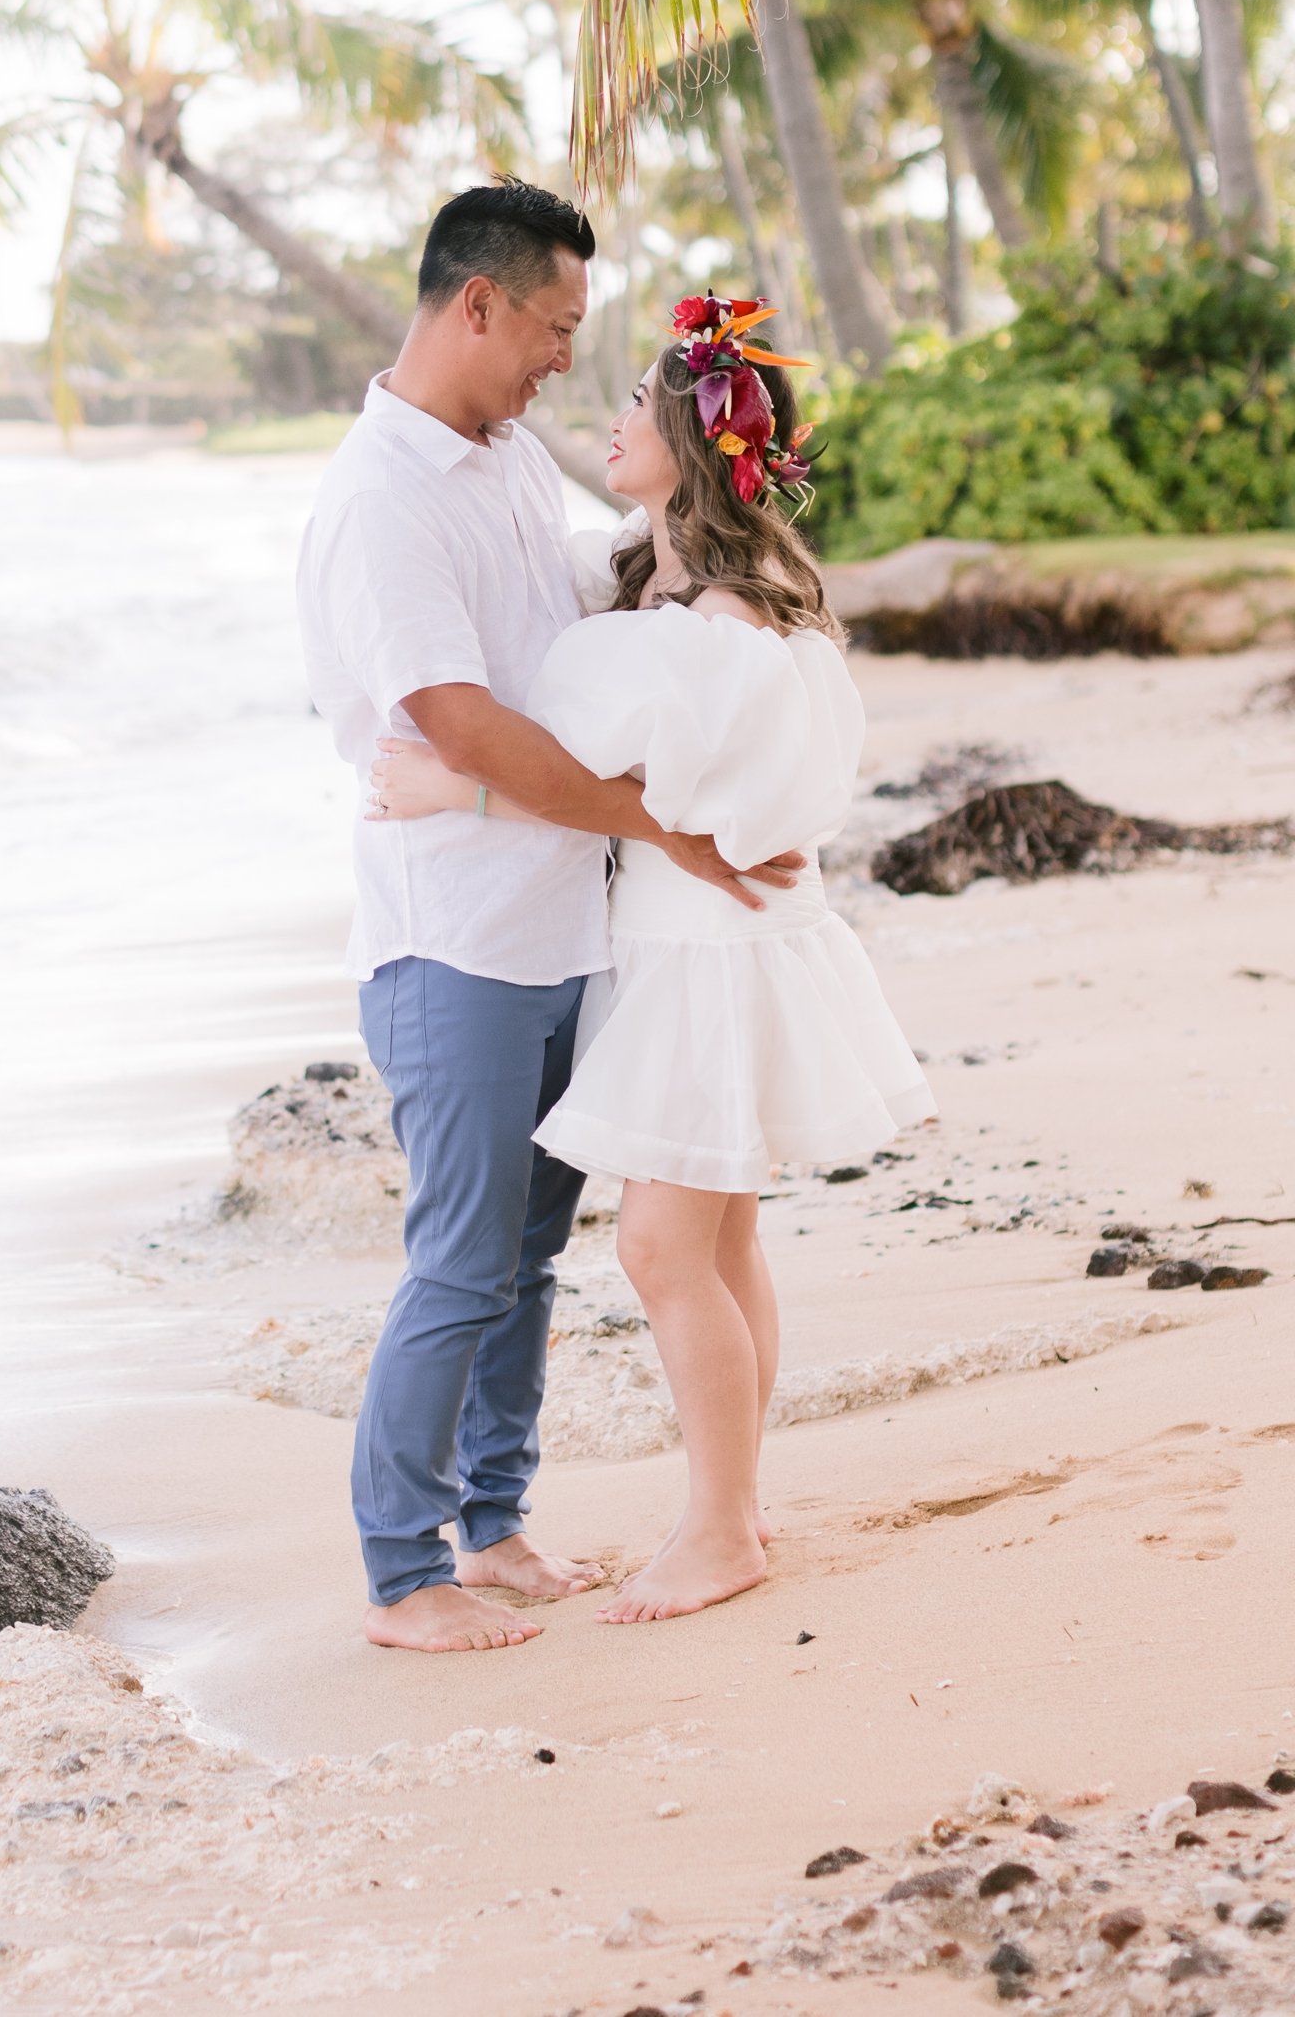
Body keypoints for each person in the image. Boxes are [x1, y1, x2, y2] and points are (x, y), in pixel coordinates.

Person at [371, 292, 936, 1627]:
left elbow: (632, 799)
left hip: (706, 957)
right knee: (721, 1241)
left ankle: (723, 1526)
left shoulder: (712, 626)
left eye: (637, 405)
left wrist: (457, 798)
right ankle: (730, 1505)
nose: (612, 419)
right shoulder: (665, 589)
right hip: (704, 946)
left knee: (663, 1251)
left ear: (688, 442)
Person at [296, 194, 806, 1657]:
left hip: (562, 931)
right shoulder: (382, 499)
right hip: (448, 938)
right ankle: (403, 1573)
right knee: (459, 1261)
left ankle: (494, 1520)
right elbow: (454, 714)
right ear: (476, 306)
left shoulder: (506, 462)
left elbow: (595, 608)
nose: (560, 368)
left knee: (526, 1259)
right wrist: (661, 826)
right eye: (552, 331)